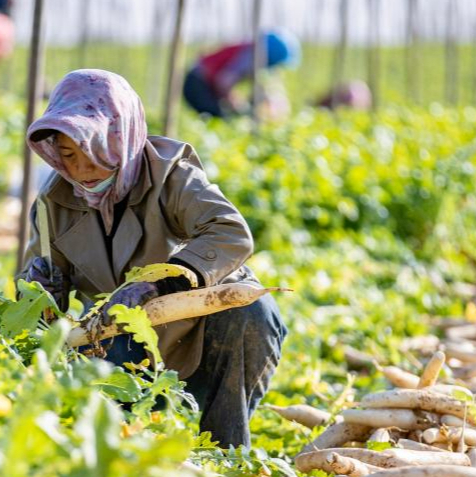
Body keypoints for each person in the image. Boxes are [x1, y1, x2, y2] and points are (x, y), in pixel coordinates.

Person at [18, 69, 287, 447]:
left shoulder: (171, 175)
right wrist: (38, 292)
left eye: (93, 151)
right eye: (67, 155)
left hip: (195, 336)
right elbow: (38, 306)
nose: (81, 169)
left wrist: (162, 282)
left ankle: (226, 451)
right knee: (112, 442)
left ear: (119, 137)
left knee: (251, 313)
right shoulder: (53, 204)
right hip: (115, 341)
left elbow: (230, 232)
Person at [183, 29, 300, 119]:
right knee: (217, 118)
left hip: (203, 82)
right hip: (198, 83)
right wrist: (237, 103)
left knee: (222, 117)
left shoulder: (249, 52)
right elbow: (223, 82)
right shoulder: (248, 56)